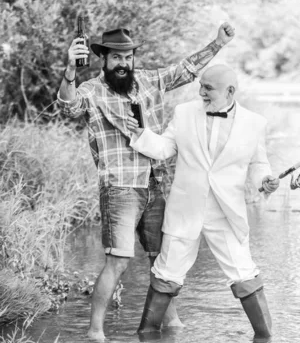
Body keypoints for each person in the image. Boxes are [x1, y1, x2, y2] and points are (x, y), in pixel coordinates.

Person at [57, 23, 235, 341]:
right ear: (103, 59)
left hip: (155, 183)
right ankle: (95, 331)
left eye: (128, 56)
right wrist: (70, 69)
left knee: (162, 259)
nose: (123, 63)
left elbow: (187, 69)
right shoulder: (91, 91)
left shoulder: (149, 81)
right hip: (120, 188)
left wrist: (217, 43)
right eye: (116, 58)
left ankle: (171, 323)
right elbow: (67, 107)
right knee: (118, 261)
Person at [125, 64, 280, 341]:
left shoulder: (255, 123)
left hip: (226, 212)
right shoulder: (184, 113)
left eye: (208, 88)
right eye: (201, 86)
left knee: (244, 273)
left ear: (230, 91)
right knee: (166, 272)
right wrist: (139, 134)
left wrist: (265, 180)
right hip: (186, 209)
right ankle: (147, 335)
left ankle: (266, 337)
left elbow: (259, 164)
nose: (201, 92)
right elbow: (163, 148)